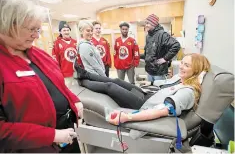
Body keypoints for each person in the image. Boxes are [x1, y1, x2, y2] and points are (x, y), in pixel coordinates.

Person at [0, 0, 83, 152]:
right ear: (9, 25)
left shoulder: (38, 54)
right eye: (32, 29)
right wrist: (51, 135)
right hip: (37, 147)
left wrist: (73, 99)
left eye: (39, 30)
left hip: (67, 135)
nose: (37, 36)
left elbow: (57, 85)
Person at [74, 53, 210, 125]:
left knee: (110, 86)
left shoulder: (188, 92)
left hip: (144, 104)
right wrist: (145, 85)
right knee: (116, 80)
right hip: (146, 94)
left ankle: (82, 82)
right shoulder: (180, 78)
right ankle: (85, 74)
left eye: (186, 65)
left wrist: (128, 117)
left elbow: (161, 111)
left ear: (196, 70)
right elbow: (162, 85)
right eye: (182, 63)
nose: (181, 67)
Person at [143, 14, 181, 82]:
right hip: (149, 71)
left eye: (148, 23)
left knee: (159, 91)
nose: (146, 25)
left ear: (153, 24)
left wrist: (165, 59)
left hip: (159, 72)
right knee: (150, 91)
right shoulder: (148, 36)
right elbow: (148, 53)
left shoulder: (162, 34)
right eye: (145, 23)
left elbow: (176, 45)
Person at [52, 21, 77, 87]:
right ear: (60, 32)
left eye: (68, 30)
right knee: (68, 90)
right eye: (64, 30)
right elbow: (56, 60)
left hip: (76, 72)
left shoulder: (75, 42)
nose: (66, 32)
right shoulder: (56, 43)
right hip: (65, 73)